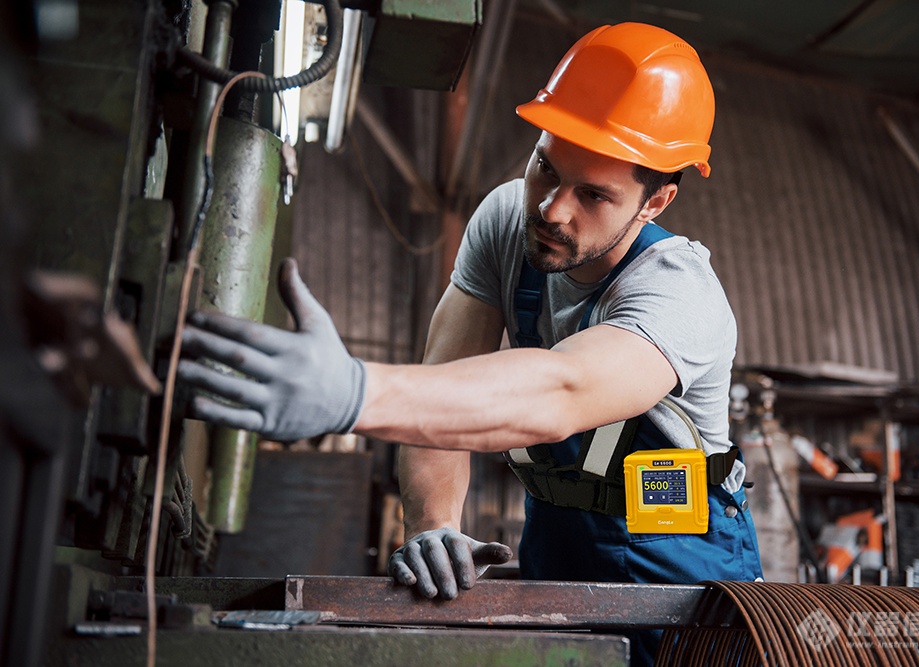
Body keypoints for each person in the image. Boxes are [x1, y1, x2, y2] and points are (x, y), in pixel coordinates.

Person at [179, 22, 762, 667]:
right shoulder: (508, 221)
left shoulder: (681, 294)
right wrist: (433, 525)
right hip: (556, 539)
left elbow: (560, 391)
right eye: (546, 165)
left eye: (594, 194)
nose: (551, 209)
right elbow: (445, 384)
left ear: (656, 201)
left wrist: (353, 393)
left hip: (682, 561)